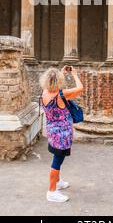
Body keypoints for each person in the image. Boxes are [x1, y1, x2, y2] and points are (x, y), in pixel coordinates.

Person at [40, 66, 83, 203]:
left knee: (58, 157)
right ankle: (52, 191)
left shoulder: (45, 92)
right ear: (58, 81)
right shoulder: (62, 94)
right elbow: (80, 88)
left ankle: (57, 182)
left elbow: (53, 82)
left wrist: (61, 73)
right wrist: (75, 75)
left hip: (52, 131)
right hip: (62, 134)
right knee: (57, 161)